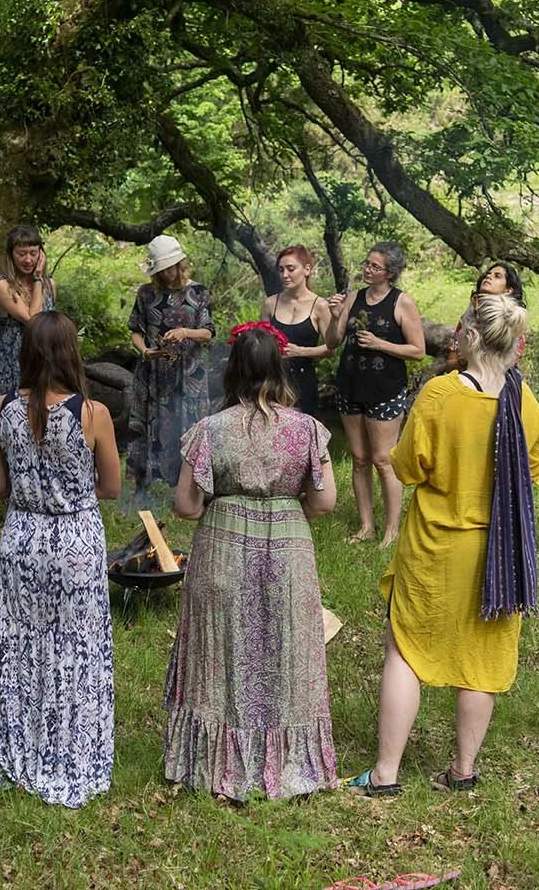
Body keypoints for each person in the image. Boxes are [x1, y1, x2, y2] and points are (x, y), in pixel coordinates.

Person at [347, 294, 539, 798]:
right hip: (500, 555)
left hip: (435, 547)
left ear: (471, 338)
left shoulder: (440, 394)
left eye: (460, 329)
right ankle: (463, 771)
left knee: (406, 650)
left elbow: (407, 467)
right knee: (480, 660)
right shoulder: (526, 404)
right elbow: (532, 474)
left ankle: (385, 774)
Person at [165, 322, 339, 801]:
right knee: (288, 649)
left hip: (223, 547)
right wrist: (286, 504)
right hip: (289, 547)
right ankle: (291, 765)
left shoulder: (210, 430)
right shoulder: (306, 429)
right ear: (279, 369)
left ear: (232, 370)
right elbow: (325, 502)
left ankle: (218, 765)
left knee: (223, 651)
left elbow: (186, 505)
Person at [0, 312, 120, 806]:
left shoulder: (1, 408)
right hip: (75, 541)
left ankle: (21, 750)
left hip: (21, 539)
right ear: (70, 353)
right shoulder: (92, 413)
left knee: (20, 646)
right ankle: (71, 753)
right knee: (75, 650)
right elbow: (111, 487)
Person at [326, 241, 426, 546]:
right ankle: (366, 526)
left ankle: (391, 530)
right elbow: (332, 342)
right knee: (359, 458)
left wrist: (380, 344)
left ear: (390, 272)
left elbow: (418, 351)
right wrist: (335, 315)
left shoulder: (402, 302)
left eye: (375, 266)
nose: (367, 269)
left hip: (385, 389)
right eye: (366, 263)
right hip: (350, 385)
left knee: (383, 459)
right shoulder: (353, 297)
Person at [125, 234, 214, 506]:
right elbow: (135, 330)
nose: (166, 274)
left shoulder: (198, 292)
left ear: (179, 264)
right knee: (148, 426)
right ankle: (143, 486)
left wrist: (185, 332)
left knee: (190, 426)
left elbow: (208, 333)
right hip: (153, 373)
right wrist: (144, 350)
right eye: (161, 269)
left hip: (189, 373)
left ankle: (193, 488)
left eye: (170, 267)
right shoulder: (146, 293)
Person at [0, 224, 56, 429]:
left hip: (43, 364)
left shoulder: (50, 285)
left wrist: (41, 281)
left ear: (41, 254)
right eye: (21, 253)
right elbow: (33, 319)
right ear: (11, 255)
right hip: (12, 367)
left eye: (33, 253)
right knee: (9, 426)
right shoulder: (1, 285)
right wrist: (37, 279)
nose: (28, 260)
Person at [260, 245, 332, 416]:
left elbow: (331, 348)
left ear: (306, 269)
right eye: (281, 270)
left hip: (303, 380)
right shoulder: (270, 303)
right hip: (273, 380)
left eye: (291, 269)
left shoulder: (320, 305)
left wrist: (301, 351)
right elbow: (260, 343)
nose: (285, 275)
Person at [446, 260, 525, 371]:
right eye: (488, 274)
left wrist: (471, 359)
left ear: (508, 290)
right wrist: (464, 362)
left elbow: (504, 366)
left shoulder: (512, 322)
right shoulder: (467, 319)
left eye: (497, 276)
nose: (489, 277)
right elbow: (450, 364)